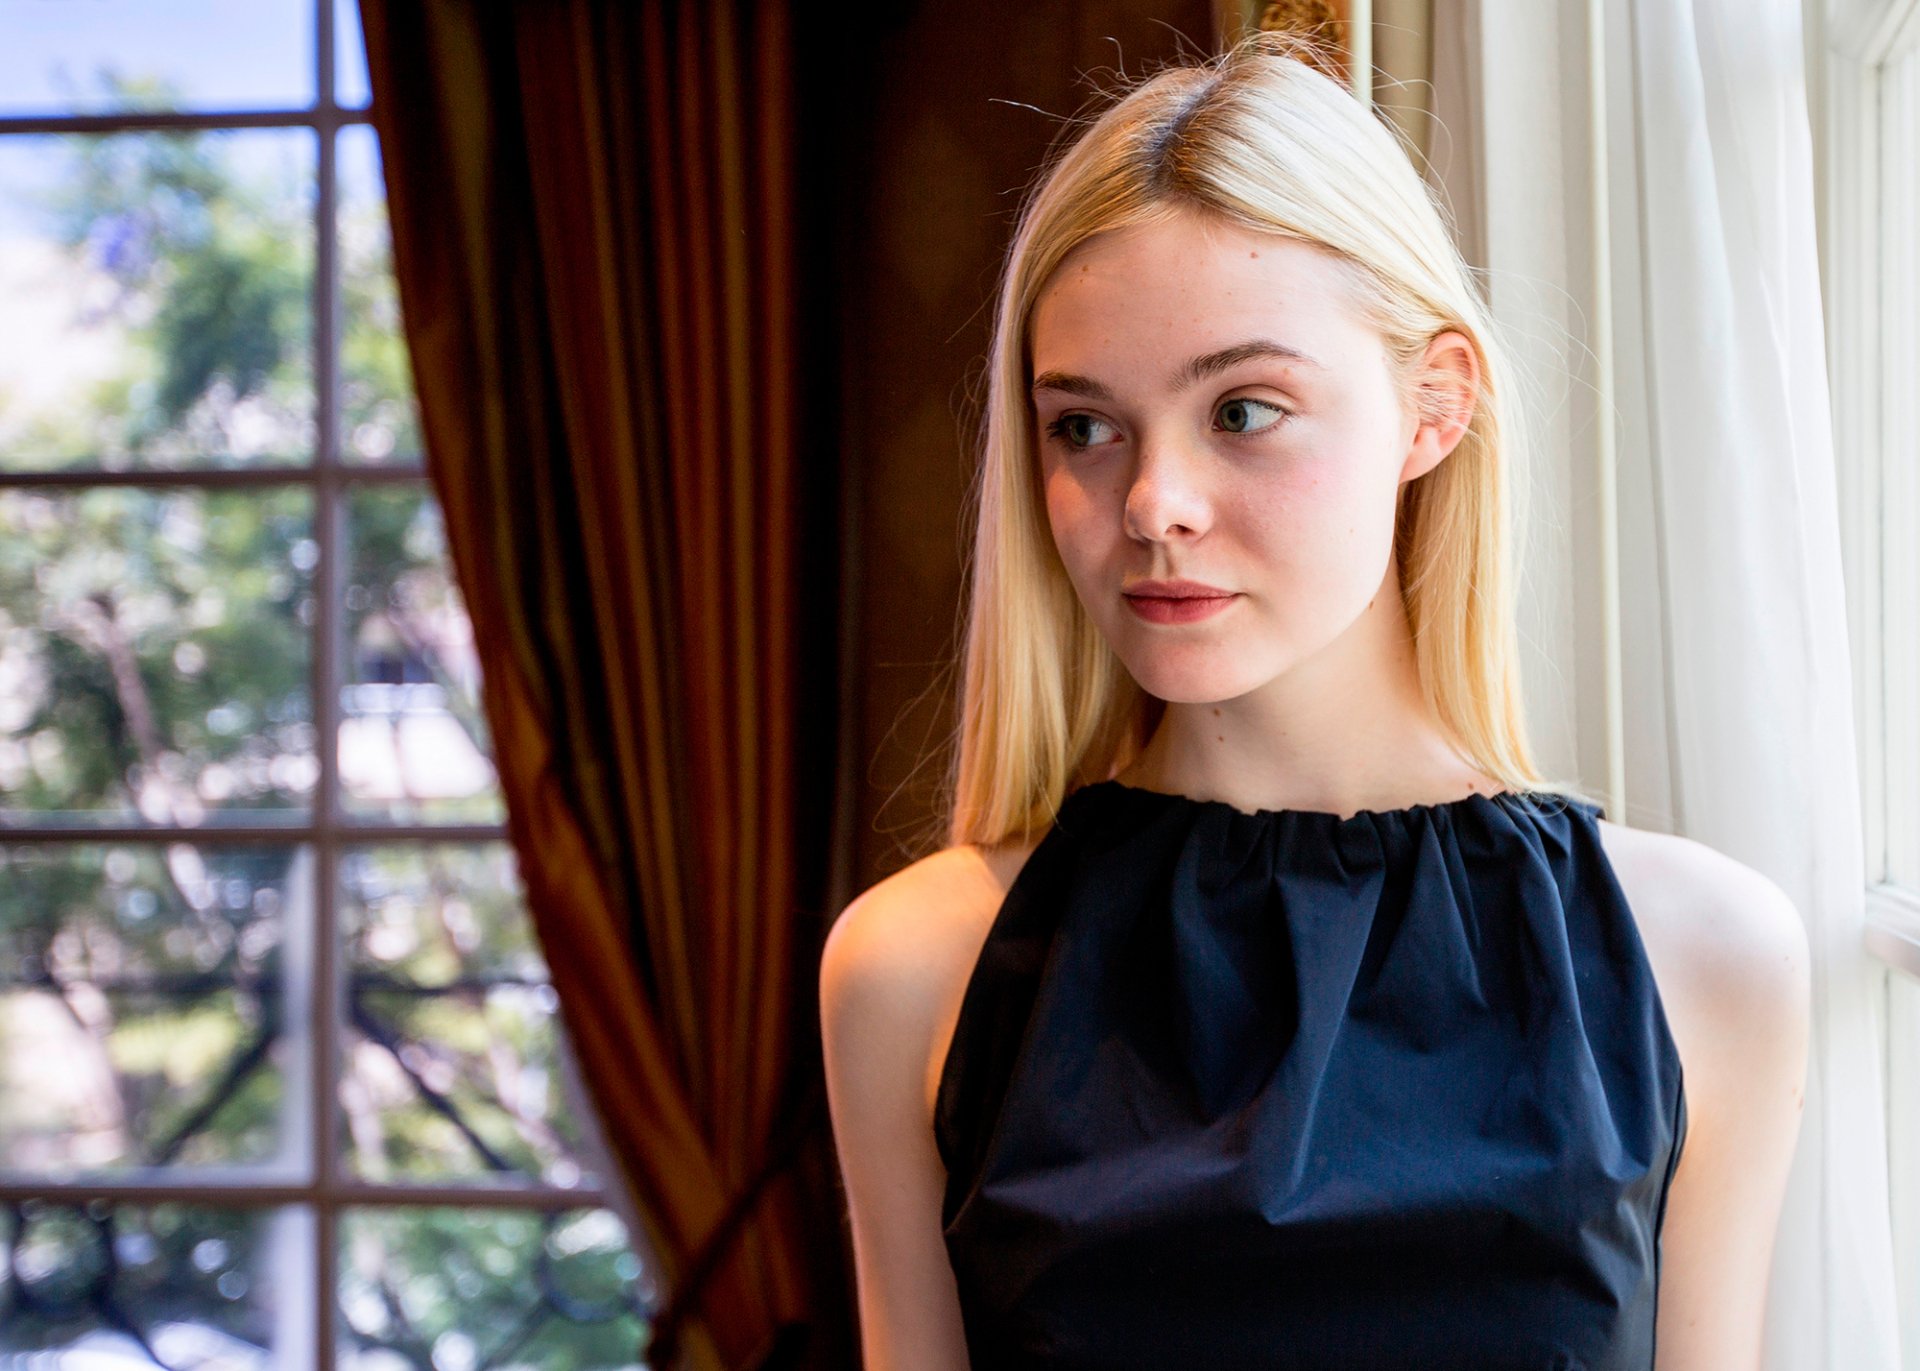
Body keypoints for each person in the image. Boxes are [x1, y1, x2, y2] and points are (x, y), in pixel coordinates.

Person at [819, 27, 1809, 1371]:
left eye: (1242, 411)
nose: (1154, 506)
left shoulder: (1702, 957)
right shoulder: (915, 971)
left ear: (1432, 405)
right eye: (1084, 426)